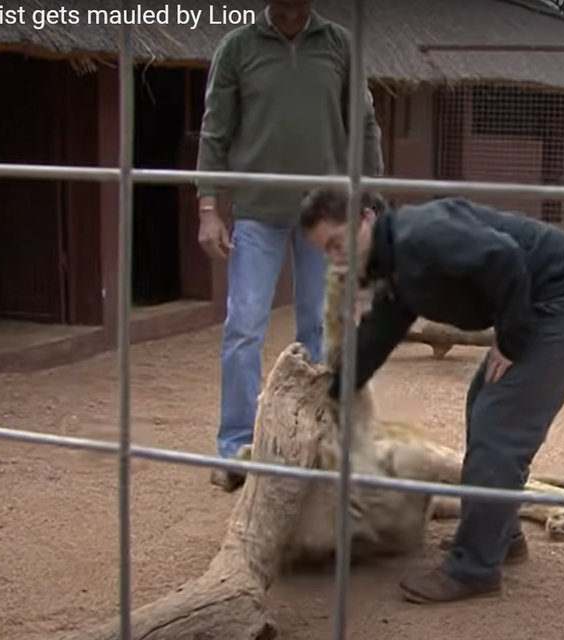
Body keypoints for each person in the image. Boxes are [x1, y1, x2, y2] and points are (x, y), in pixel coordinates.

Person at [298, 189, 564, 604]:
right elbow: (380, 331)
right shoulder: (398, 264)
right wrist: (332, 393)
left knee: (499, 424)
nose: (336, 259)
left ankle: (474, 569)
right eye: (326, 252)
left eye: (337, 244)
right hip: (548, 300)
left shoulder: (420, 234)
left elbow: (503, 257)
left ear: (364, 218)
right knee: (483, 403)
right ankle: (501, 537)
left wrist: (511, 337)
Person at [195, 0, 384, 487]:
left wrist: (369, 201)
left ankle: (317, 443)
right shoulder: (237, 47)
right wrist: (208, 208)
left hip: (326, 211)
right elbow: (215, 129)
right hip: (258, 210)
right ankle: (235, 447)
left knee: (320, 328)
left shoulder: (340, 45)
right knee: (243, 327)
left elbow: (364, 125)